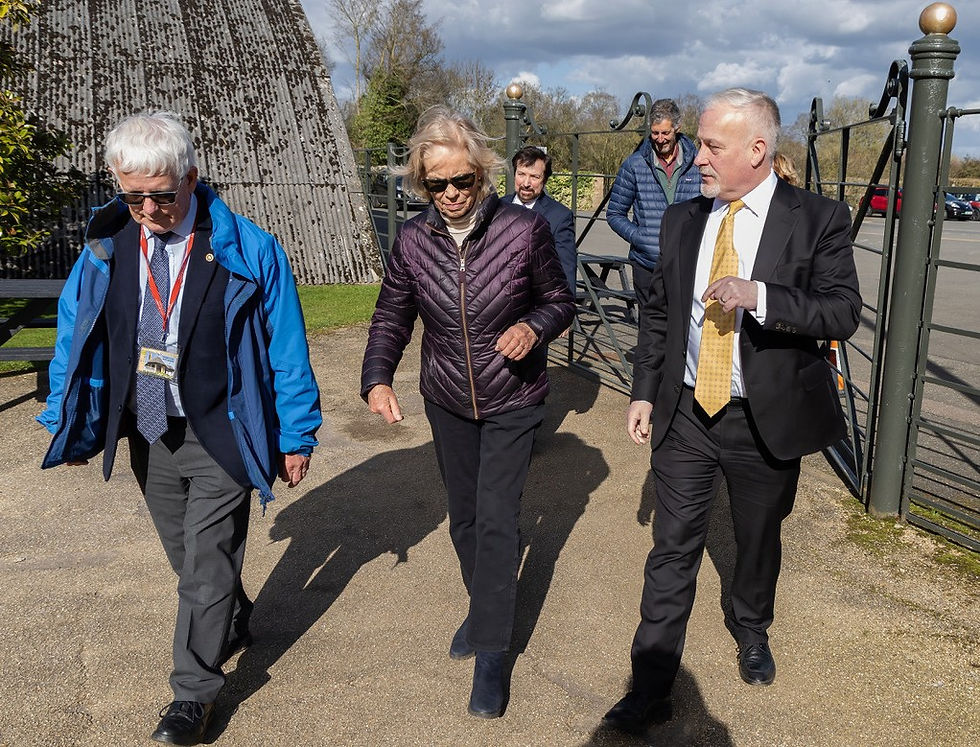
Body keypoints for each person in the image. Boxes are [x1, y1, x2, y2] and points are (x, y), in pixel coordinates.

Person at [38, 111, 321, 745]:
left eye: (161, 195)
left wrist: (297, 433)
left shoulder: (247, 248)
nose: (146, 209)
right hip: (147, 426)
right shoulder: (105, 247)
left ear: (192, 178)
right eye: (131, 195)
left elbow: (287, 347)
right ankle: (232, 614)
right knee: (188, 555)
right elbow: (73, 335)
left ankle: (191, 696)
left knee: (205, 560)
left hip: (223, 427)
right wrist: (68, 416)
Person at [603, 88, 861, 734]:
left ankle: (752, 624)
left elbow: (842, 311)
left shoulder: (819, 218)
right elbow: (658, 313)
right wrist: (642, 389)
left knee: (757, 538)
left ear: (757, 150)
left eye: (712, 146)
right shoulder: (682, 219)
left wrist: (760, 295)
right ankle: (652, 682)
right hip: (687, 410)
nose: (697, 159)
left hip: (763, 416)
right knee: (671, 547)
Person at [361, 106, 574, 720]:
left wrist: (534, 328)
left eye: (463, 181)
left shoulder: (521, 231)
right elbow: (392, 316)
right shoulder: (411, 241)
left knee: (500, 520)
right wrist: (377, 377)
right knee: (465, 520)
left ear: (482, 175)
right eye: (437, 184)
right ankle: (485, 607)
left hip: (512, 396)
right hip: (448, 397)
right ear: (420, 184)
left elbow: (559, 299)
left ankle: (490, 652)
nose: (452, 194)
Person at [607, 98, 702, 307]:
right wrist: (640, 237)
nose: (660, 139)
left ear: (677, 128)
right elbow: (614, 214)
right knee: (649, 332)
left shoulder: (698, 164)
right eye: (655, 133)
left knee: (683, 330)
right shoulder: (634, 165)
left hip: (687, 262)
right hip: (647, 264)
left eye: (665, 133)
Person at [503, 145, 577, 294]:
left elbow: (566, 268)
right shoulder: (498, 207)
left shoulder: (559, 217)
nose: (526, 183)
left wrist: (564, 309)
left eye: (534, 177)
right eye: (521, 174)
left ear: (545, 180)